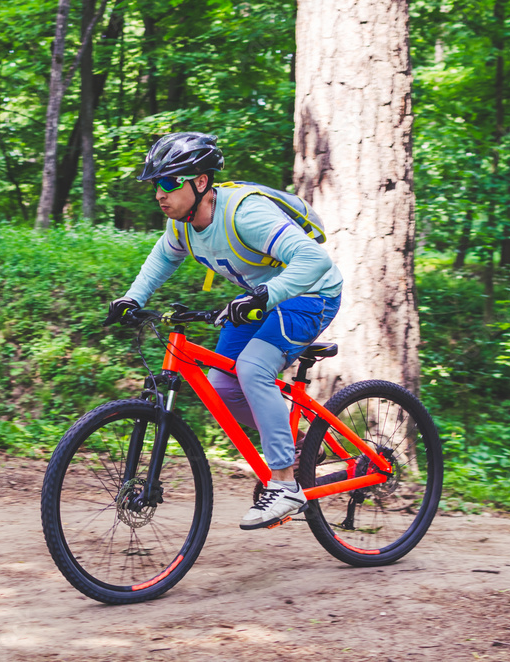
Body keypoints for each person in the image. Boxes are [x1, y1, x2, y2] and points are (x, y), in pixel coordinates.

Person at [103, 132, 343, 530]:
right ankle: (298, 446)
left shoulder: (244, 214)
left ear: (200, 182)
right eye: (155, 185)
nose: (159, 194)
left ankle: (284, 486)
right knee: (222, 386)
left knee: (252, 369)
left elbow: (313, 260)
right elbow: (163, 258)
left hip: (310, 293)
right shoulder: (181, 224)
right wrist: (132, 298)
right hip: (259, 299)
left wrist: (268, 294)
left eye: (168, 182)